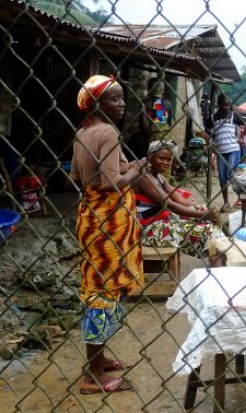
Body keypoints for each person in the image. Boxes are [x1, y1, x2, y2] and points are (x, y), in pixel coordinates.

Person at [71, 75, 148, 395]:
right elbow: (111, 183)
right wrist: (138, 169)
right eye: (115, 99)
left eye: (122, 98)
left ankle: (98, 361)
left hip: (90, 217)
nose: (122, 104)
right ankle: (94, 375)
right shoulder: (109, 133)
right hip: (109, 224)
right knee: (103, 295)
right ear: (98, 104)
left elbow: (75, 177)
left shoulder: (82, 133)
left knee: (102, 287)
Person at [134, 140, 224, 261]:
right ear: (150, 156)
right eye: (161, 158)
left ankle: (215, 251)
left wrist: (204, 208)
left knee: (208, 213)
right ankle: (216, 259)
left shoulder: (158, 176)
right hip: (149, 230)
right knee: (209, 230)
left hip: (162, 220)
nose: (165, 163)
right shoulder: (144, 176)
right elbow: (170, 204)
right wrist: (203, 215)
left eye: (168, 159)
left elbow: (179, 199)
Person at [212, 95, 246, 211]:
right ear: (220, 105)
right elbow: (209, 131)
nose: (226, 108)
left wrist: (241, 136)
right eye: (224, 105)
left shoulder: (233, 116)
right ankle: (226, 202)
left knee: (230, 174)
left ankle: (240, 197)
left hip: (233, 149)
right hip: (221, 151)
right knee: (222, 178)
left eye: (228, 106)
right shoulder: (213, 118)